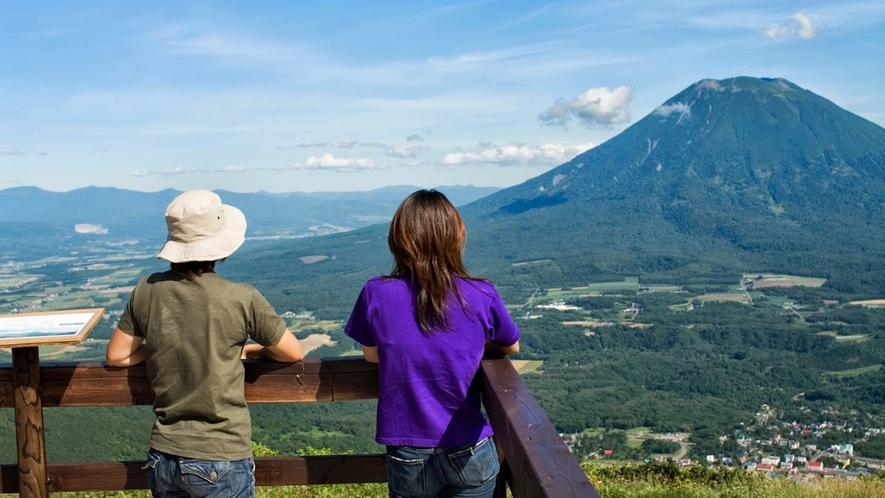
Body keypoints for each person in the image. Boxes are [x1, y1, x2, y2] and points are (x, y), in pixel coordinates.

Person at [106, 189, 303, 498]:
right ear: (219, 246)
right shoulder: (241, 296)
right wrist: (247, 350)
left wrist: (162, 348)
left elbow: (117, 356)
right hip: (220, 453)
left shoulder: (147, 289)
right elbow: (292, 351)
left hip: (163, 454)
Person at [345, 189, 520, 498]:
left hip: (407, 447)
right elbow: (510, 346)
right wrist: (474, 346)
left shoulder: (376, 292)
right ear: (455, 236)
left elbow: (372, 356)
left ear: (399, 239)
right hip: (469, 446)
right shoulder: (481, 293)